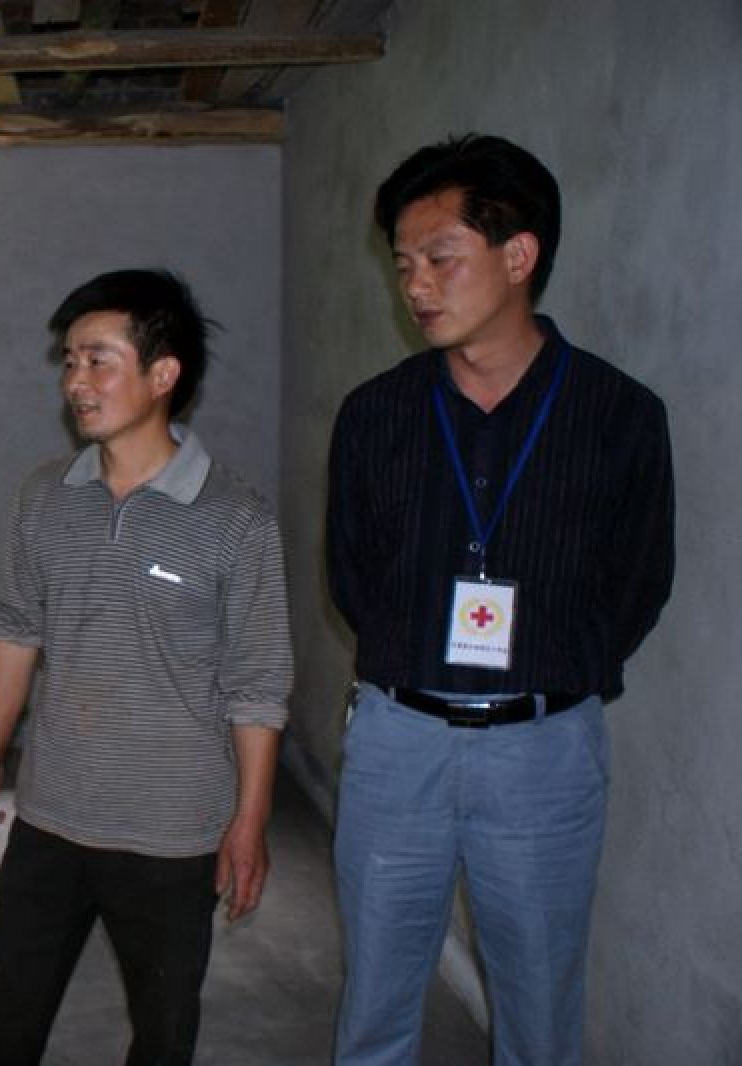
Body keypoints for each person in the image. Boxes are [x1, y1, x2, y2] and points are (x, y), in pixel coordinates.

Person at [326, 134, 675, 1065]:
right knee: (375, 1007)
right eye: (404, 263)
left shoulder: (619, 415)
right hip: (398, 741)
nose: (416, 285)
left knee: (539, 1013)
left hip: (543, 751)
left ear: (519, 255)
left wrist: (550, 670)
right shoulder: (375, 415)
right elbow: (352, 576)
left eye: (441, 257)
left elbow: (639, 582)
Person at [0, 269, 293, 1065]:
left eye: (99, 361)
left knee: (162, 1038)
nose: (76, 382)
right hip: (52, 812)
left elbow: (257, 685)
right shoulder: (45, 496)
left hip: (172, 831)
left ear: (163, 374)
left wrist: (249, 823)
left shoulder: (236, 520)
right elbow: (15, 630)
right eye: (70, 361)